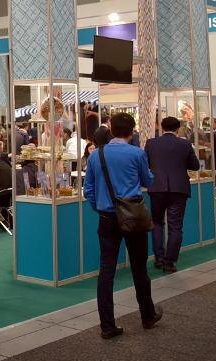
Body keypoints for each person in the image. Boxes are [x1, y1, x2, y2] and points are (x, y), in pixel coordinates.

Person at [83, 112, 161, 339]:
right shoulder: (137, 153)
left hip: (107, 217)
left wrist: (101, 208)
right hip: (133, 215)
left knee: (106, 270)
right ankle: (147, 315)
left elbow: (89, 190)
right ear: (132, 131)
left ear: (111, 130)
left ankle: (107, 325)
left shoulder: (96, 156)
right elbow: (148, 181)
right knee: (139, 267)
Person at [145, 117, 200, 273]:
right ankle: (169, 262)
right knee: (175, 226)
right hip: (179, 189)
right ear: (177, 128)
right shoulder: (185, 144)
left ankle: (159, 258)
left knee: (157, 223)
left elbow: (145, 164)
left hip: (157, 188)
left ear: (162, 128)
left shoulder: (151, 143)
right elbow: (195, 165)